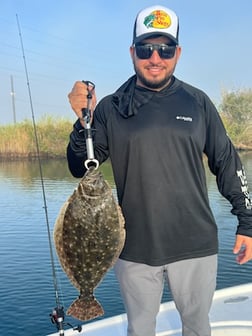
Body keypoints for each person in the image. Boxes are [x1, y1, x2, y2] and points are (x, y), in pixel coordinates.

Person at [66, 5, 252, 336]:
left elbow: (226, 162)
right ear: (132, 52)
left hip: (195, 245)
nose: (155, 57)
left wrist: (248, 222)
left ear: (177, 52)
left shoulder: (198, 103)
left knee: (197, 327)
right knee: (139, 329)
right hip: (134, 249)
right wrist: (83, 124)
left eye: (165, 49)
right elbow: (79, 166)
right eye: (145, 48)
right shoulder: (111, 107)